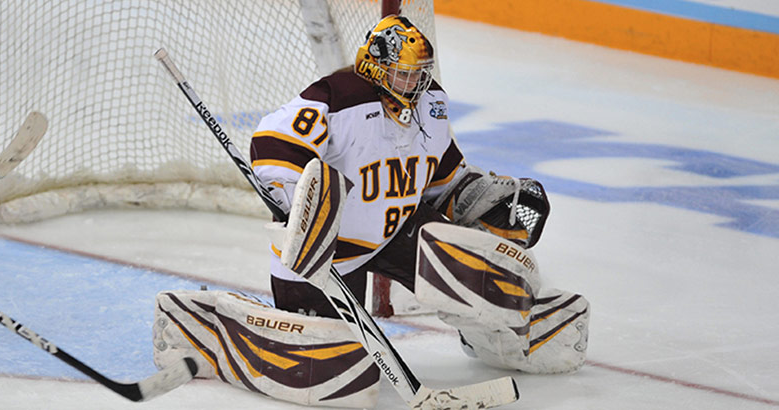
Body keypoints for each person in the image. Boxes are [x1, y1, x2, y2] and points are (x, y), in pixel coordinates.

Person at [153, 15, 589, 408]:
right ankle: (210, 328)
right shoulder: (338, 98)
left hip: (398, 229)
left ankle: (501, 341)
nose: (414, 82)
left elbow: (442, 176)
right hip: (325, 249)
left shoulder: (430, 105)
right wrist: (295, 205)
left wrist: (475, 195)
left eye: (419, 72)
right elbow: (272, 143)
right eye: (404, 72)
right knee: (338, 370)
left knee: (481, 264)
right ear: (378, 66)